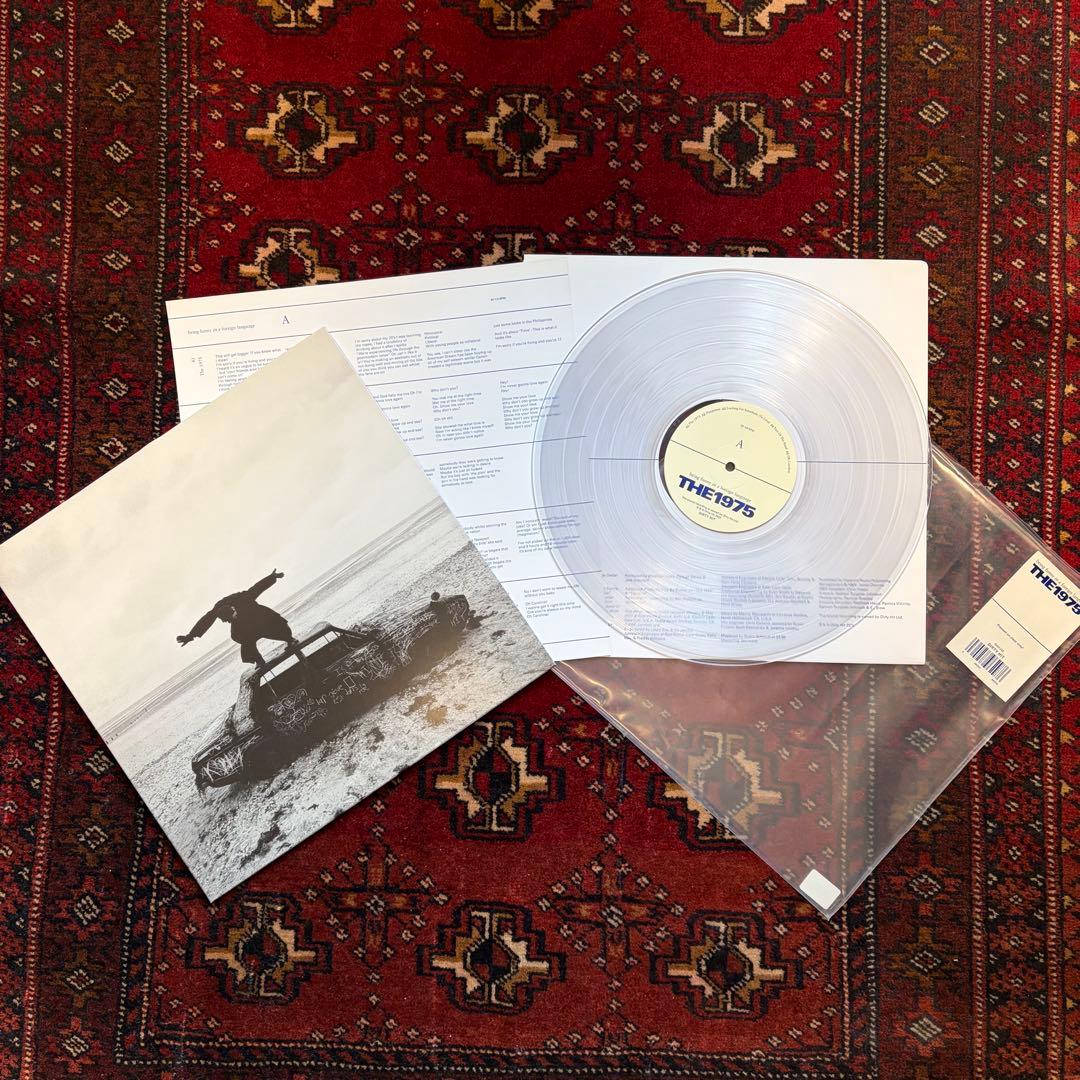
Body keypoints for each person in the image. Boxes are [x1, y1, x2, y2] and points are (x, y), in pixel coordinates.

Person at [177, 569, 302, 668]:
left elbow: (257, 588)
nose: (228, 622)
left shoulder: (243, 598)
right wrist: (191, 635)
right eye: (227, 621)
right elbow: (206, 620)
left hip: (260, 617)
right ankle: (258, 660)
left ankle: (289, 639)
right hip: (246, 628)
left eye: (230, 619)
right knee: (238, 636)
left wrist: (272, 577)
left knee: (278, 628)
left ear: (233, 609)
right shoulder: (218, 610)